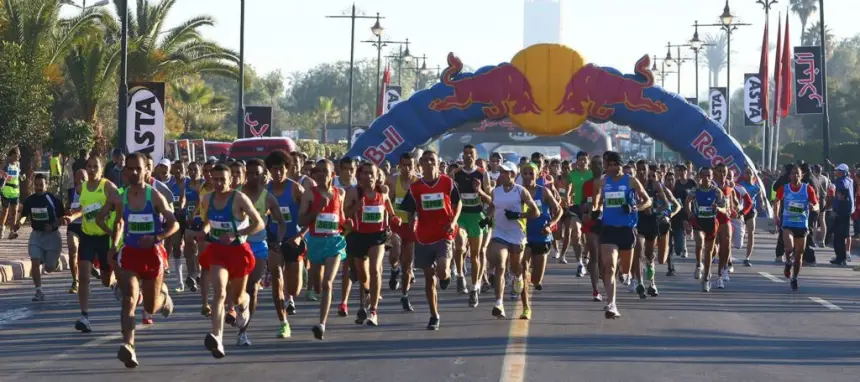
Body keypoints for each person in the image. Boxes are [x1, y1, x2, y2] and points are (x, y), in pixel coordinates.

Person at [96, 152, 178, 368]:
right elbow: (103, 218)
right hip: (130, 253)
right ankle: (128, 346)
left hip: (152, 254)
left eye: (138, 169)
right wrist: (113, 246)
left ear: (146, 171)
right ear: (124, 171)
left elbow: (174, 224)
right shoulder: (118, 196)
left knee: (150, 306)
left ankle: (164, 298)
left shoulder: (155, 196)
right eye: (129, 168)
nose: (133, 172)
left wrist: (156, 237)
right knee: (129, 299)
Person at [195, 163, 265, 358]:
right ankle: (217, 337)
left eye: (222, 180)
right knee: (219, 292)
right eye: (215, 179)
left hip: (238, 252)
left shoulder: (239, 199)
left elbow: (258, 224)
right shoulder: (207, 199)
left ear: (231, 180)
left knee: (237, 297)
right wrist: (203, 232)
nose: (218, 183)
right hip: (218, 252)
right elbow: (208, 223)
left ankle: (245, 303)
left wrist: (236, 233)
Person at [398, 151, 461, 330]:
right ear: (420, 165)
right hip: (424, 237)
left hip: (444, 233)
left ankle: (446, 275)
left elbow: (458, 203)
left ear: (437, 162)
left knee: (441, 270)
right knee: (428, 278)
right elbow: (410, 209)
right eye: (425, 161)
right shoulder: (416, 188)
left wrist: (453, 221)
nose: (429, 163)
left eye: (432, 160)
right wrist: (412, 222)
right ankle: (434, 315)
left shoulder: (447, 182)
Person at [62, 156, 120, 333]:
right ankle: (84, 316)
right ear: (86, 169)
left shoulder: (108, 187)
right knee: (84, 275)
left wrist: (116, 235)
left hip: (105, 237)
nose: (93, 169)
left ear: (101, 169)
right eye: (90, 166)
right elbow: (81, 209)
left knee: (105, 280)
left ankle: (115, 283)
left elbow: (119, 207)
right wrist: (72, 217)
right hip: (87, 236)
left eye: (96, 166)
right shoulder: (81, 188)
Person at [591, 151, 651, 318]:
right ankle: (611, 304)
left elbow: (647, 201)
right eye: (609, 165)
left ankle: (626, 274)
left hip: (627, 229)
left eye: (615, 164)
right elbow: (597, 199)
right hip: (609, 229)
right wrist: (597, 210)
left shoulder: (631, 181)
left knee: (624, 269)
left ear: (621, 165)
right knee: (609, 266)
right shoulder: (603, 182)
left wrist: (634, 208)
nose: (612, 168)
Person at [237, 159, 286, 346]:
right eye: (249, 173)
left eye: (256, 173)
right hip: (238, 246)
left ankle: (243, 332)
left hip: (258, 246)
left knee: (253, 287)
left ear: (263, 175)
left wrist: (278, 241)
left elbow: (281, 222)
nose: (252, 177)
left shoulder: (268, 198)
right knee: (237, 290)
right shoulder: (237, 195)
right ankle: (239, 308)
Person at [343, 162, 399, 326]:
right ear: (359, 175)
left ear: (376, 176)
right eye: (365, 173)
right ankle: (367, 291)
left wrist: (393, 216)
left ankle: (374, 311)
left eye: (371, 173)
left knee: (375, 269)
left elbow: (387, 203)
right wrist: (355, 208)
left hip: (377, 236)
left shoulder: (382, 191)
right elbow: (344, 213)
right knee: (363, 275)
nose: (368, 176)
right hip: (358, 236)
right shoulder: (354, 192)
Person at [298, 160, 348, 340]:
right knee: (319, 287)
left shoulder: (339, 193)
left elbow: (341, 218)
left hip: (334, 241)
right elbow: (301, 220)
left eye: (324, 172)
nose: (320, 175)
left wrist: (347, 223)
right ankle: (322, 298)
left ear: (332, 175)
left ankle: (322, 323)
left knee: (328, 282)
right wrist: (316, 210)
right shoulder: (309, 195)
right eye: (317, 172)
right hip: (315, 242)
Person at [265, 150, 304, 338]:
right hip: (274, 239)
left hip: (293, 240)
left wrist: (301, 235)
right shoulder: (265, 190)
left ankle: (290, 297)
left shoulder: (296, 188)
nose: (278, 173)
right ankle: (283, 322)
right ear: (269, 171)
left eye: (281, 169)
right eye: (274, 170)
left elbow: (308, 216)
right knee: (277, 277)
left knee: (294, 288)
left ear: (287, 169)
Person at [520, 162, 561, 318]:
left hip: (542, 236)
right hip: (523, 236)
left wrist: (550, 225)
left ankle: (531, 280)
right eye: (526, 173)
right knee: (523, 269)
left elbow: (559, 210)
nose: (529, 176)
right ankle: (526, 307)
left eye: (532, 173)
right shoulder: (518, 192)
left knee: (536, 279)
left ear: (537, 175)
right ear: (521, 175)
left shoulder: (543, 192)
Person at [452, 145, 492, 302]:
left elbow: (490, 200)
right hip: (461, 216)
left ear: (476, 156)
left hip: (478, 216)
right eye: (466, 153)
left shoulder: (483, 174)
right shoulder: (456, 174)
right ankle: (460, 276)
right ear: (462, 156)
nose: (468, 156)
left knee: (477, 253)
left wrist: (479, 191)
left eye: (471, 154)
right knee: (460, 246)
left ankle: (475, 288)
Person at [16, 173, 65, 301]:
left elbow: (61, 218)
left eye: (41, 185)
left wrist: (53, 226)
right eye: (36, 185)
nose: (39, 188)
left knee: (49, 268)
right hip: (36, 235)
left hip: (52, 237)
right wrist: (17, 226)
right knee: (35, 261)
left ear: (46, 185)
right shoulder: (30, 200)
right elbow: (23, 216)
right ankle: (39, 291)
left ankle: (54, 262)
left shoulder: (53, 200)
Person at [773, 165, 819, 290]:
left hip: (801, 224)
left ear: (802, 176)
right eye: (793, 173)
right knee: (789, 248)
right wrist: (776, 216)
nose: (795, 176)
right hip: (788, 223)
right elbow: (776, 200)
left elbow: (816, 205)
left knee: (799, 254)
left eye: (798, 174)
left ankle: (794, 278)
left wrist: (812, 207)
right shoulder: (785, 188)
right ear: (790, 176)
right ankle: (788, 262)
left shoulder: (807, 189)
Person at [686, 167, 727, 291]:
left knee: (709, 251)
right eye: (704, 175)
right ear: (700, 176)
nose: (706, 178)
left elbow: (725, 208)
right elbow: (687, 201)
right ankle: (699, 265)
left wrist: (718, 208)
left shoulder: (717, 191)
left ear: (712, 176)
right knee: (699, 243)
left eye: (708, 175)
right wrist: (689, 212)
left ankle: (706, 278)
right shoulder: (695, 190)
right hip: (698, 221)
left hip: (711, 222)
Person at [387, 152, 419, 311]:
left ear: (414, 166)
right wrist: (390, 216)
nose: (407, 169)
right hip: (395, 225)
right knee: (395, 252)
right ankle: (394, 269)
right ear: (400, 166)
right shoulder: (393, 180)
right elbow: (386, 201)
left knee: (407, 263)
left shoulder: (418, 182)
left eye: (410, 165)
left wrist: (417, 219)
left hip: (411, 226)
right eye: (404, 165)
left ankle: (405, 295)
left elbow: (422, 205)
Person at [66, 169, 88, 294]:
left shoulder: (91, 192)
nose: (80, 181)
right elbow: (67, 207)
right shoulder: (71, 192)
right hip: (73, 225)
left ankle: (86, 279)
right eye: (78, 179)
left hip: (87, 226)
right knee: (72, 250)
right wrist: (68, 212)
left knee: (85, 256)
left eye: (83, 179)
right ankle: (75, 281)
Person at [829, 163, 854, 265]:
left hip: (841, 212)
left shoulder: (841, 182)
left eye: (838, 170)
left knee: (838, 236)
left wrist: (836, 209)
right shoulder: (850, 180)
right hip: (847, 212)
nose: (836, 172)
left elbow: (841, 195)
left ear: (843, 172)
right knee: (843, 235)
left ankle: (840, 258)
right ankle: (842, 257)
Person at [1, 147, 24, 239]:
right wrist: (2, 173)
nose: (19, 156)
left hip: (15, 191)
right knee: (5, 211)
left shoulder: (17, 164)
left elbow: (19, 175)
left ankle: (12, 231)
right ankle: (1, 228)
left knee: (14, 212)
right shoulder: (6, 163)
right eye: (17, 154)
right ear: (12, 155)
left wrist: (22, 177)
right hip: (6, 191)